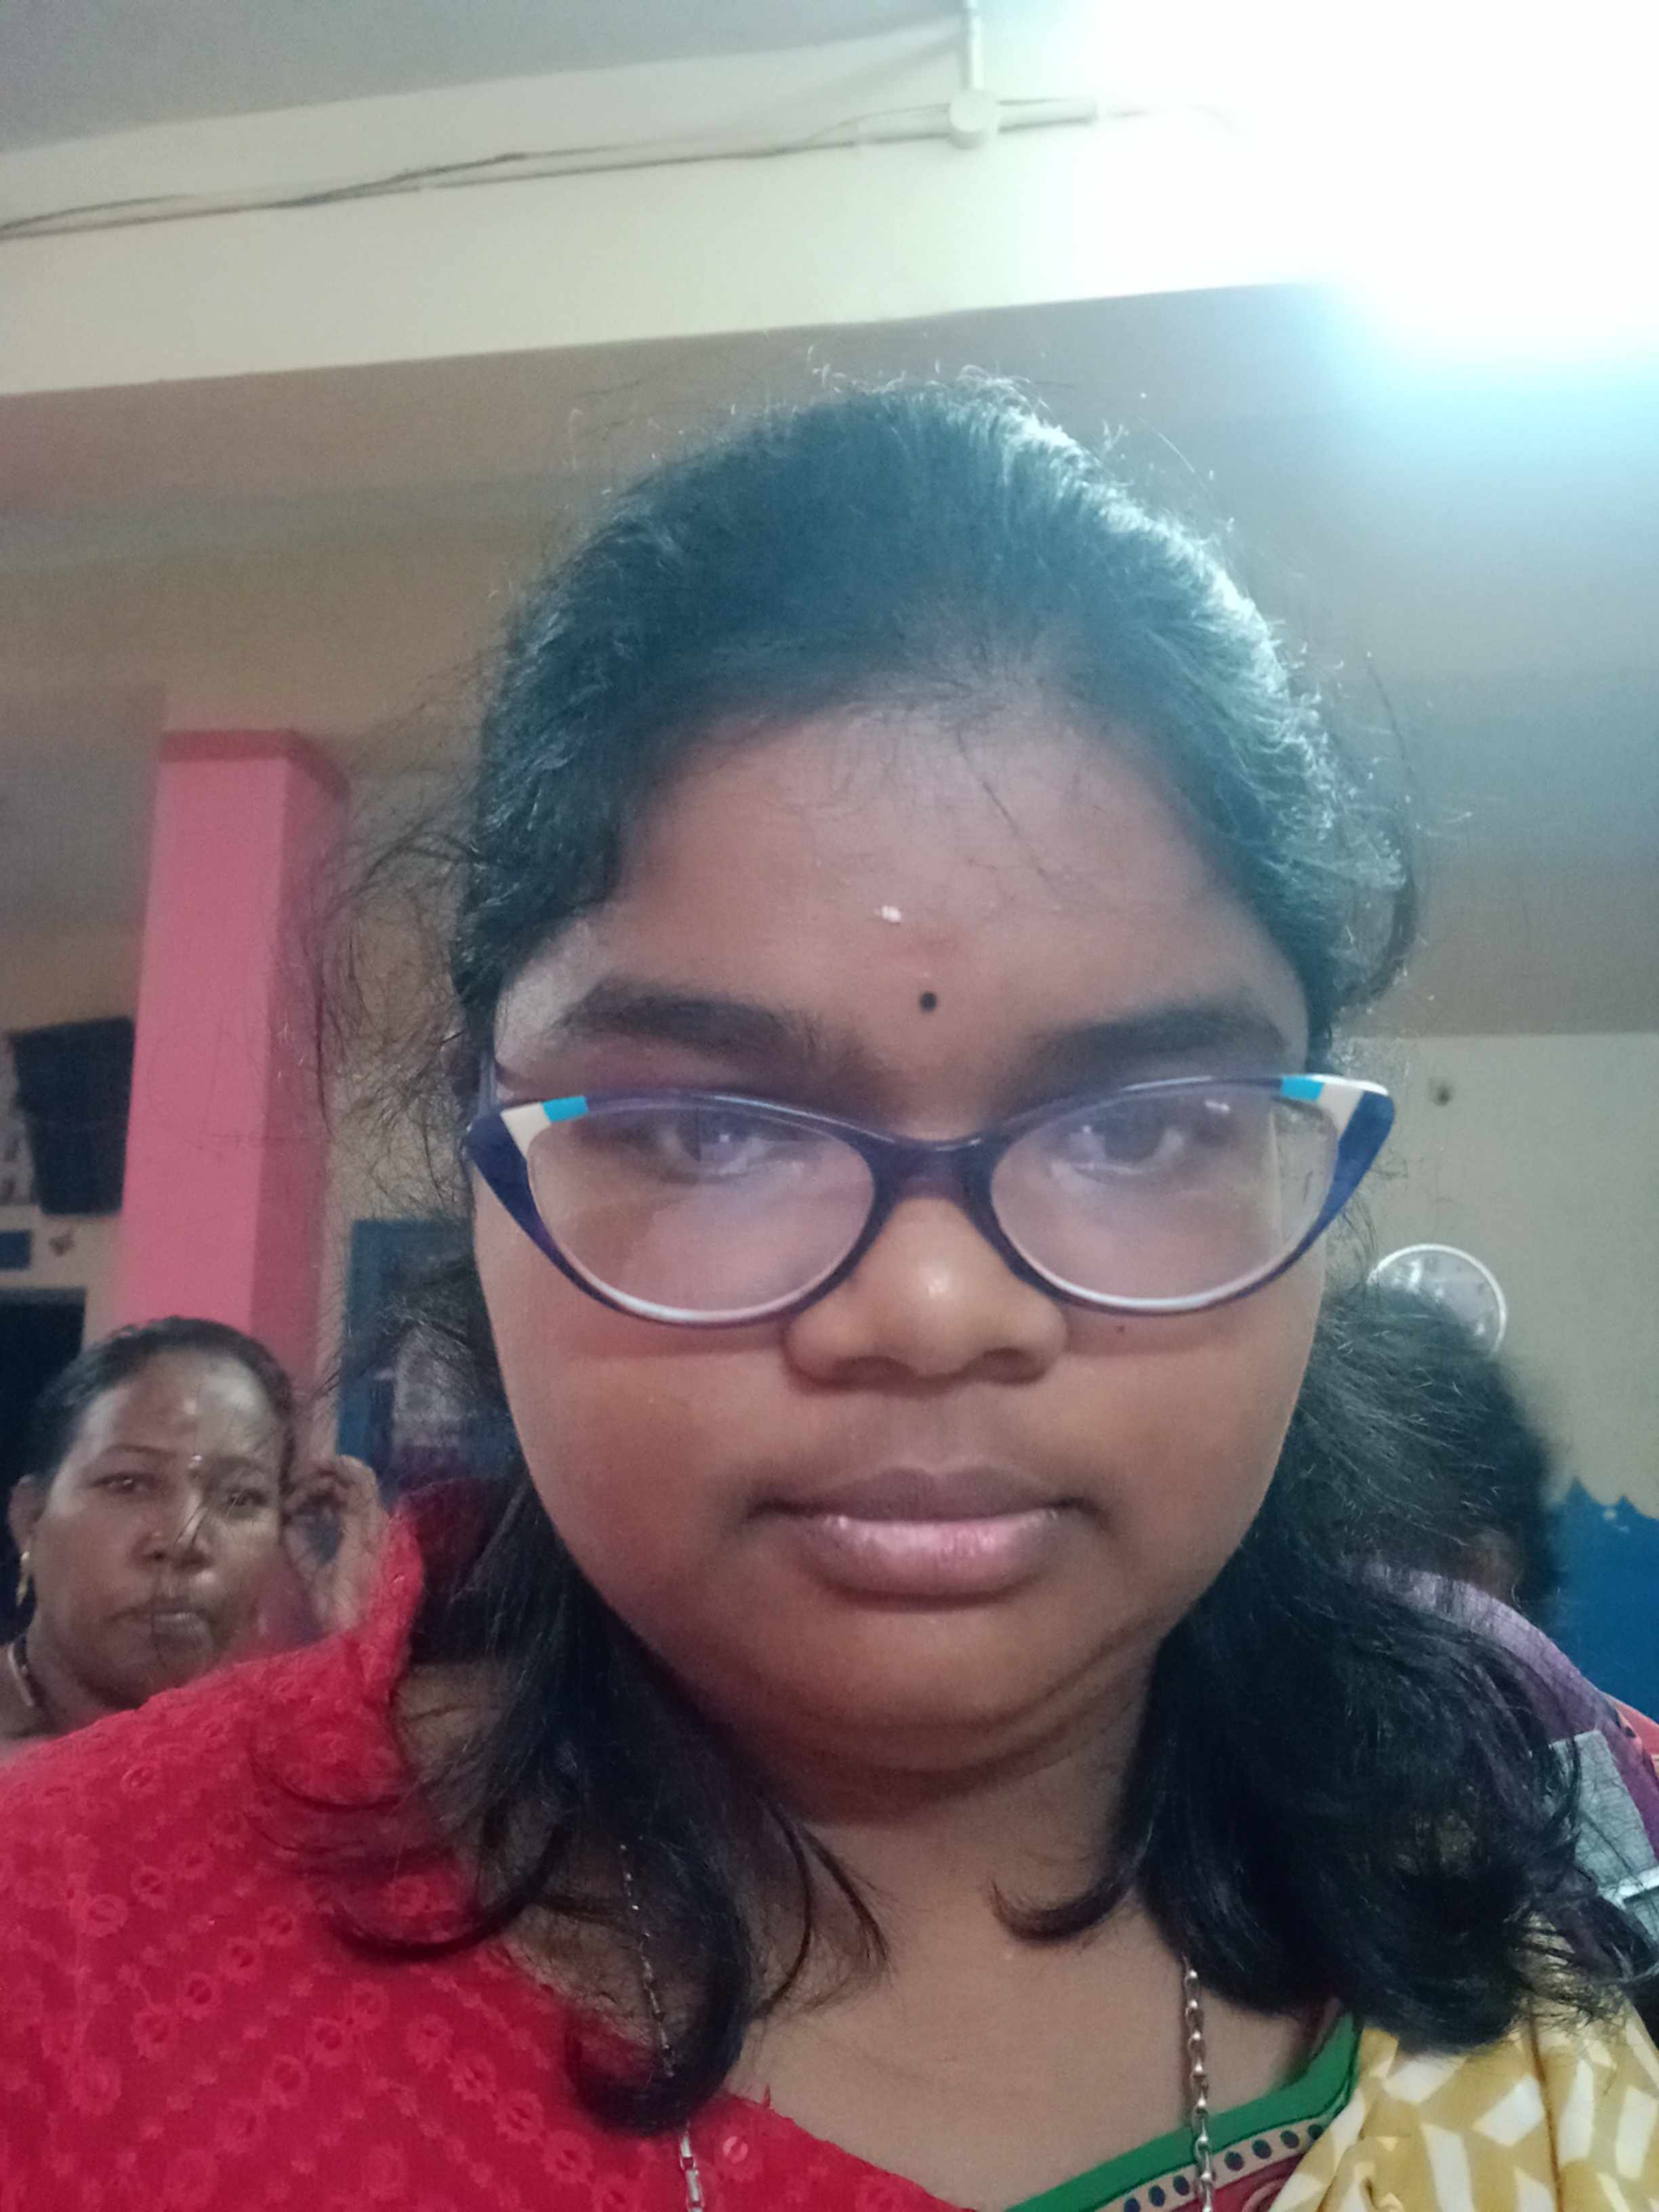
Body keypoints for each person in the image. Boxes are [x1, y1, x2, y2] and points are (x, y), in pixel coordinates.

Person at [1, 383, 1655, 2211]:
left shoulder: (1564, 1840)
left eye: (1137, 1129)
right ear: (482, 1150)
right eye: (711, 1134)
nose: (931, 1310)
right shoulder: (56, 1974)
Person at [0, 1315, 383, 1762]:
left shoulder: (277, 1763)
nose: (185, 1541)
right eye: (129, 1483)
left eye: (240, 1497)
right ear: (31, 1519)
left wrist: (360, 1648)